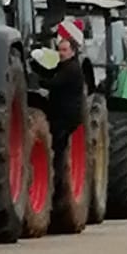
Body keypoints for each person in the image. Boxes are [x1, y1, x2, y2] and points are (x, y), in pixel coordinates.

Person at [37, 17, 87, 161]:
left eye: (64, 50)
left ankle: (58, 179)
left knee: (58, 151)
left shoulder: (72, 69)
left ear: (72, 52)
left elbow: (55, 83)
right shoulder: (64, 66)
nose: (61, 53)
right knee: (58, 149)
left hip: (65, 117)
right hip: (61, 114)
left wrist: (39, 81)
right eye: (59, 50)